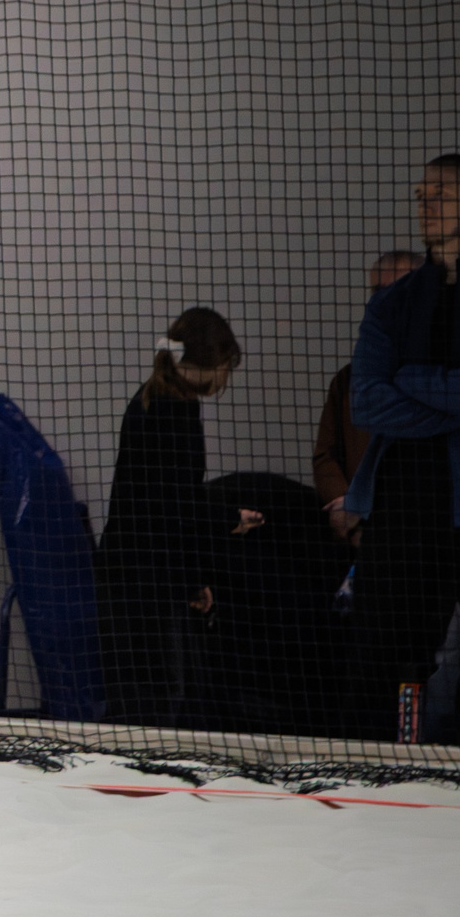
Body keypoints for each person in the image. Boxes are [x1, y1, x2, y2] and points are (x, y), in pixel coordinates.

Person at [94, 307, 264, 728]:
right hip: (143, 583)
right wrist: (228, 520)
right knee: (156, 700)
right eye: (225, 368)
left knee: (155, 697)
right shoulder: (172, 411)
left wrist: (191, 579)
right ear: (211, 363)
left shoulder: (161, 400)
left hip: (137, 576)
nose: (224, 378)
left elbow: (169, 502)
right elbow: (173, 505)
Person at [344, 153, 460, 742]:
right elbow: (366, 402)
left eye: (440, 192)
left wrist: (409, 378)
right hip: (401, 510)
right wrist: (449, 400)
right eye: (421, 194)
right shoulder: (393, 302)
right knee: (387, 652)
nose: (426, 204)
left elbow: (389, 388)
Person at [315, 250, 426, 540]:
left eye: (397, 289)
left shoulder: (443, 379)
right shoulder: (348, 380)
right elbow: (325, 455)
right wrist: (348, 513)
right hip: (362, 533)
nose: (385, 300)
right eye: (378, 290)